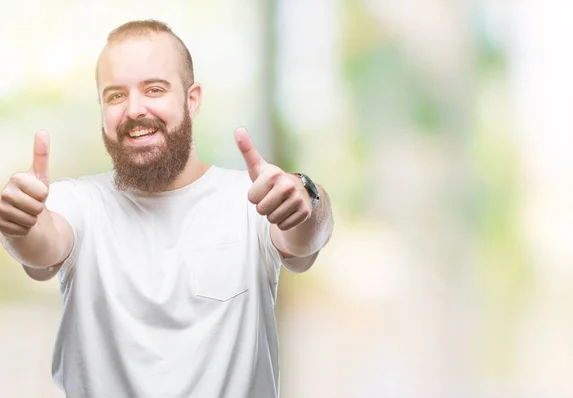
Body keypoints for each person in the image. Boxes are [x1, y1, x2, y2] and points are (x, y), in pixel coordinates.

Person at [0, 19, 333, 398]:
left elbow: (305, 241)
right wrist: (18, 223)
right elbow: (41, 244)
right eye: (115, 96)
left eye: (154, 89)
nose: (134, 109)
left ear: (191, 99)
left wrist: (306, 196)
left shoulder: (251, 200)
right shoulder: (78, 203)